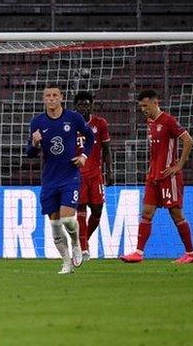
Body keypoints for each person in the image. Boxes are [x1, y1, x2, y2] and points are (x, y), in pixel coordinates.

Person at [120, 90, 193, 264]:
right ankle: (138, 253)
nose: (143, 109)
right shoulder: (150, 122)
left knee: (176, 214)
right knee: (146, 213)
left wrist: (178, 165)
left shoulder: (168, 120)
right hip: (153, 176)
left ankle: (191, 253)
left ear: (155, 102)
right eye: (141, 106)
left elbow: (188, 140)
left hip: (169, 176)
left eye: (146, 105)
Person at [26, 86, 95, 274]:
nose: (51, 99)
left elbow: (90, 137)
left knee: (67, 218)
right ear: (43, 99)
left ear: (61, 98)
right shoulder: (37, 122)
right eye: (47, 95)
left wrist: (84, 157)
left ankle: (76, 243)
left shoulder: (73, 118)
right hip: (49, 179)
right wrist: (34, 143)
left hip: (69, 176)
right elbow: (29, 153)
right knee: (55, 223)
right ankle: (66, 262)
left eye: (55, 95)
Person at [74, 91, 114, 262]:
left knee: (97, 210)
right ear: (76, 106)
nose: (84, 107)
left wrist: (110, 171)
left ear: (91, 105)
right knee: (81, 210)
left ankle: (82, 240)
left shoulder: (100, 123)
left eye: (86, 104)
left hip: (96, 175)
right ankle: (83, 249)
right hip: (77, 175)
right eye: (80, 104)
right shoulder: (69, 124)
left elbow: (106, 149)